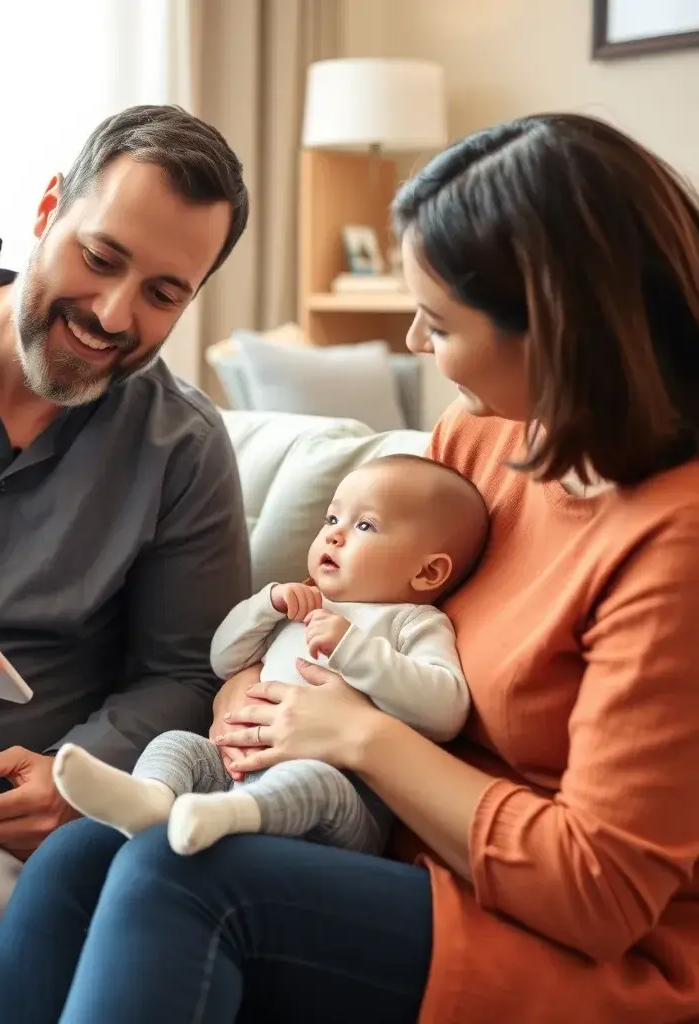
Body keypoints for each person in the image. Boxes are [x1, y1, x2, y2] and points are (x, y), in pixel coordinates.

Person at [1, 111, 698, 1024]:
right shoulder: (481, 442)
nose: (412, 341)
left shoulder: (672, 538)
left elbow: (599, 892)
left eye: (437, 319)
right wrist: (248, 691)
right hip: (382, 845)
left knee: (178, 873)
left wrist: (359, 736)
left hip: (565, 934)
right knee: (87, 849)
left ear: (550, 327)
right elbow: (341, 618)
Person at [0, 105, 252, 912]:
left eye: (162, 293)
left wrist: (80, 773)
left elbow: (183, 671)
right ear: (47, 210)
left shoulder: (181, 447)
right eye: (100, 256)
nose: (112, 315)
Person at [50, 455, 487, 857]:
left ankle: (230, 816)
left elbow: (445, 709)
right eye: (332, 518)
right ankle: (150, 799)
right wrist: (267, 605)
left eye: (365, 526)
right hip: (235, 770)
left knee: (310, 780)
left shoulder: (414, 622)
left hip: (342, 802)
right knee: (178, 745)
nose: (333, 533)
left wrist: (353, 648)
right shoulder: (303, 602)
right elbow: (224, 660)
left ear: (427, 572)